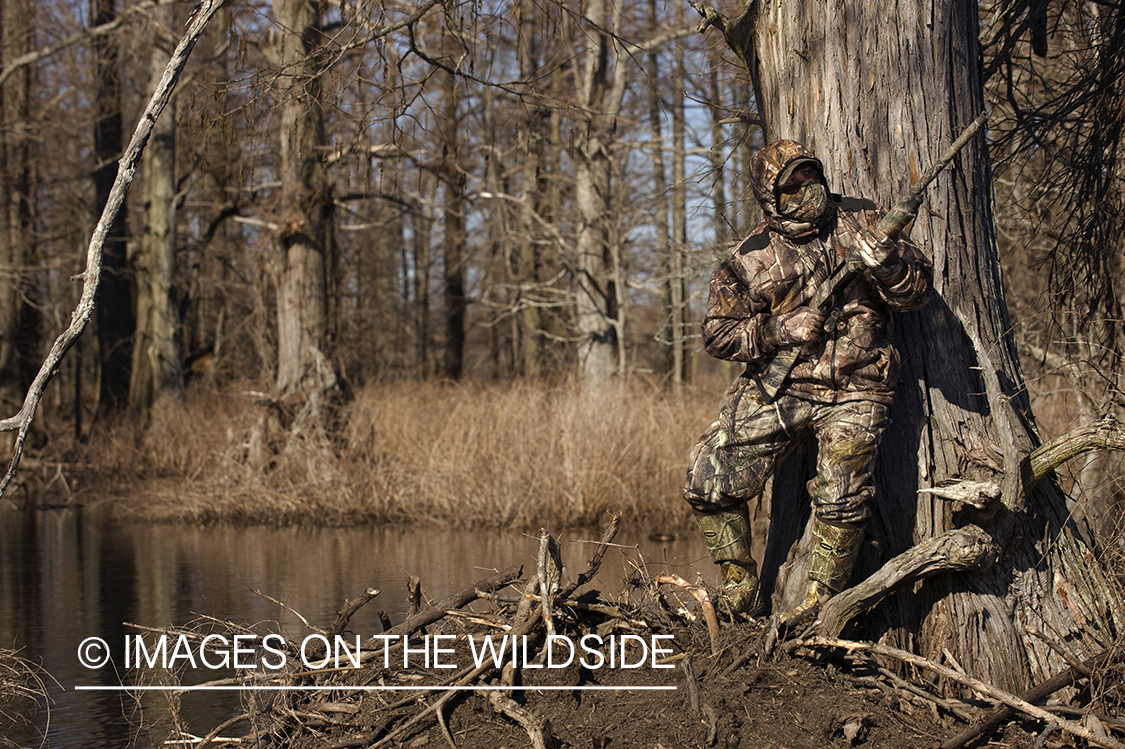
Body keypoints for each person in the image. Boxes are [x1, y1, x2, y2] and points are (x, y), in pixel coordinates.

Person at [683, 139, 932, 620]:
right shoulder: (749, 255)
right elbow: (717, 335)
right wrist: (778, 329)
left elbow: (916, 294)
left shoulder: (864, 220)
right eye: (791, 182)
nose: (805, 187)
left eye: (809, 174)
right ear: (770, 196)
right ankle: (740, 588)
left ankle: (817, 607)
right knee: (705, 478)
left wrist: (889, 265)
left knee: (841, 499)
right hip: (785, 386)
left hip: (859, 386)